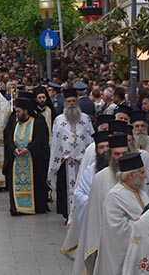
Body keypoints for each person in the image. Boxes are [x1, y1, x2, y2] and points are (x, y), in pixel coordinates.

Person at [74, 133, 130, 274]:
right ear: (110, 155)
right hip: (106, 241)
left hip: (131, 240)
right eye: (117, 154)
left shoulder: (135, 176)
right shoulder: (100, 178)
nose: (121, 158)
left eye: (124, 154)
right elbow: (93, 212)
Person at [94, 153, 149, 275]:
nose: (145, 176)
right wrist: (145, 224)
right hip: (121, 256)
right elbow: (117, 231)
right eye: (142, 172)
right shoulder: (114, 196)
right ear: (131, 175)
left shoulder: (141, 193)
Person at [48, 91, 94, 220]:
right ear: (65, 103)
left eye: (74, 101)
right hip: (65, 161)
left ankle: (84, 214)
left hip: (82, 162)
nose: (72, 104)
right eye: (69, 102)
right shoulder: (59, 120)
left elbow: (91, 139)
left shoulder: (85, 119)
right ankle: (67, 214)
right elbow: (55, 142)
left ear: (77, 102)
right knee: (65, 189)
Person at [3, 96, 49, 215]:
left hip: (33, 161)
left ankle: (36, 207)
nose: (16, 114)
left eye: (18, 111)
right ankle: (18, 208)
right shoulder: (13, 123)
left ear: (25, 111)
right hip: (16, 161)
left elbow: (41, 141)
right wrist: (14, 149)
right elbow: (8, 140)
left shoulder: (38, 122)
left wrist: (28, 149)